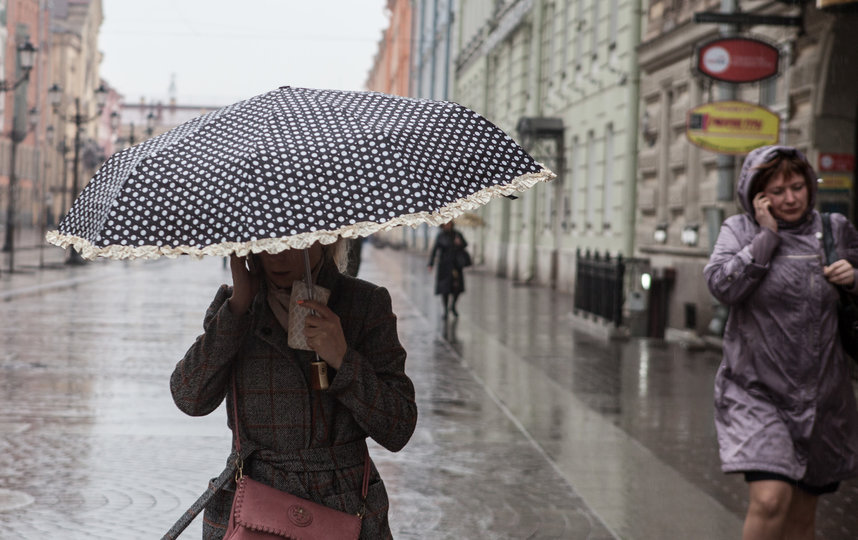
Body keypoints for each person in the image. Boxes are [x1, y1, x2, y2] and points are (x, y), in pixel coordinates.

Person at [171, 239, 418, 540]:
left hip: (345, 505)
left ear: (325, 237)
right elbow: (189, 397)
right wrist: (238, 308)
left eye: (293, 242)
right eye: (266, 242)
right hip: (255, 508)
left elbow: (398, 427)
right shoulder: (238, 306)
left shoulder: (364, 304)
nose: (278, 255)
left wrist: (342, 358)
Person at [704, 145, 858, 540]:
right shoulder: (740, 230)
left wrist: (854, 278)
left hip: (824, 397)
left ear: (809, 185)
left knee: (801, 520)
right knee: (771, 499)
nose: (790, 198)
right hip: (757, 392)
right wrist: (766, 239)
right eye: (777, 190)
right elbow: (721, 285)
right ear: (757, 195)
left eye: (797, 186)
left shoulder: (835, 229)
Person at [427, 221, 468, 318]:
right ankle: (445, 310)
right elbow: (435, 250)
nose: (447, 225)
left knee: (457, 289)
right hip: (444, 266)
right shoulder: (440, 236)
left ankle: (453, 306)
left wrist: (460, 243)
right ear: (443, 225)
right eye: (446, 224)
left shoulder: (457, 234)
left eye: (449, 224)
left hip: (456, 266)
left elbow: (465, 245)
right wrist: (431, 264)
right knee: (445, 290)